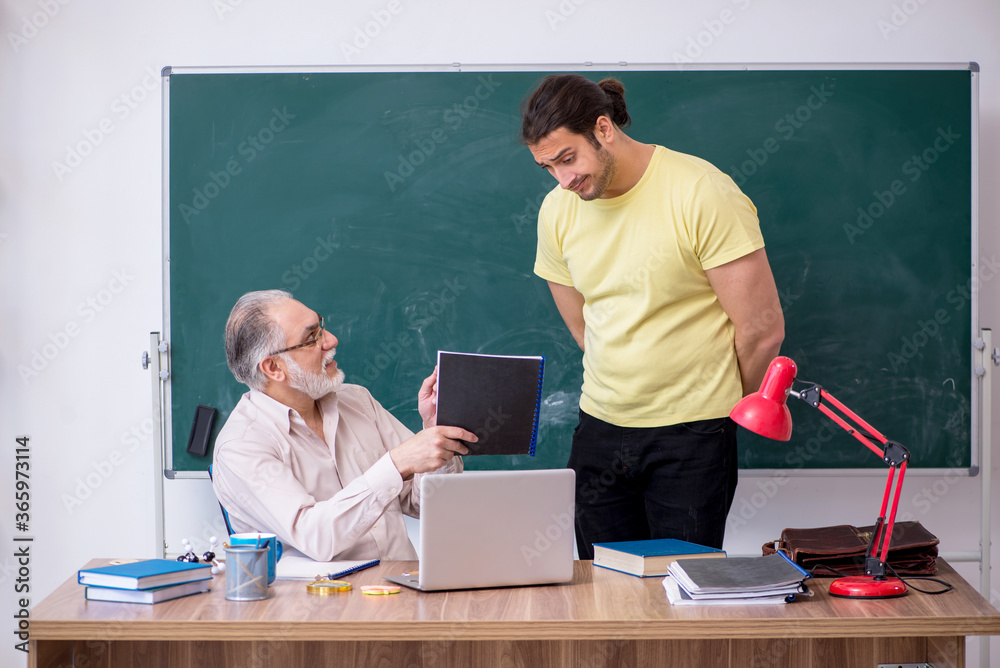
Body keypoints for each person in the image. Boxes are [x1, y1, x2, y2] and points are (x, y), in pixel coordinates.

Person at [519, 74, 784, 559]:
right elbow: (583, 327)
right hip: (599, 429)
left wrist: (723, 403)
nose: (562, 179)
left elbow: (762, 330)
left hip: (694, 434)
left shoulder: (700, 191)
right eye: (548, 167)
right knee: (601, 593)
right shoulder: (558, 211)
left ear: (602, 129)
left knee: (681, 595)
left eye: (567, 158)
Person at [211, 289, 475, 561]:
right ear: (274, 368)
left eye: (321, 326)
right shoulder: (241, 447)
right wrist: (395, 464)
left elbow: (426, 505)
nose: (331, 340)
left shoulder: (357, 401)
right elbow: (316, 538)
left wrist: (437, 432)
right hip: (317, 600)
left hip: (401, 587)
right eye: (311, 337)